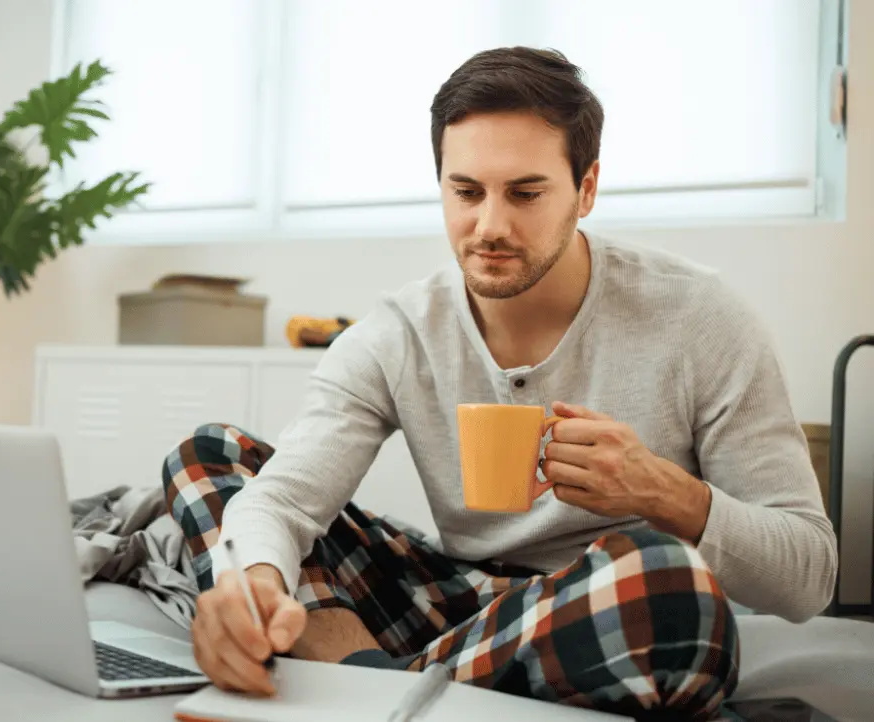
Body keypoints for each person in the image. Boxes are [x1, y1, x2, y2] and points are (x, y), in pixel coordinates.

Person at [161, 47, 837, 720]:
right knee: (209, 456)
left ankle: (368, 683)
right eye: (466, 192)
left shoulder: (699, 317)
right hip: (460, 606)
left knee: (668, 584)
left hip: (606, 603)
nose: (489, 226)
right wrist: (250, 589)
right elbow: (282, 503)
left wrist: (664, 491)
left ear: (588, 188)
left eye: (525, 193)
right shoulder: (399, 332)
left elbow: (809, 575)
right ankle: (404, 687)